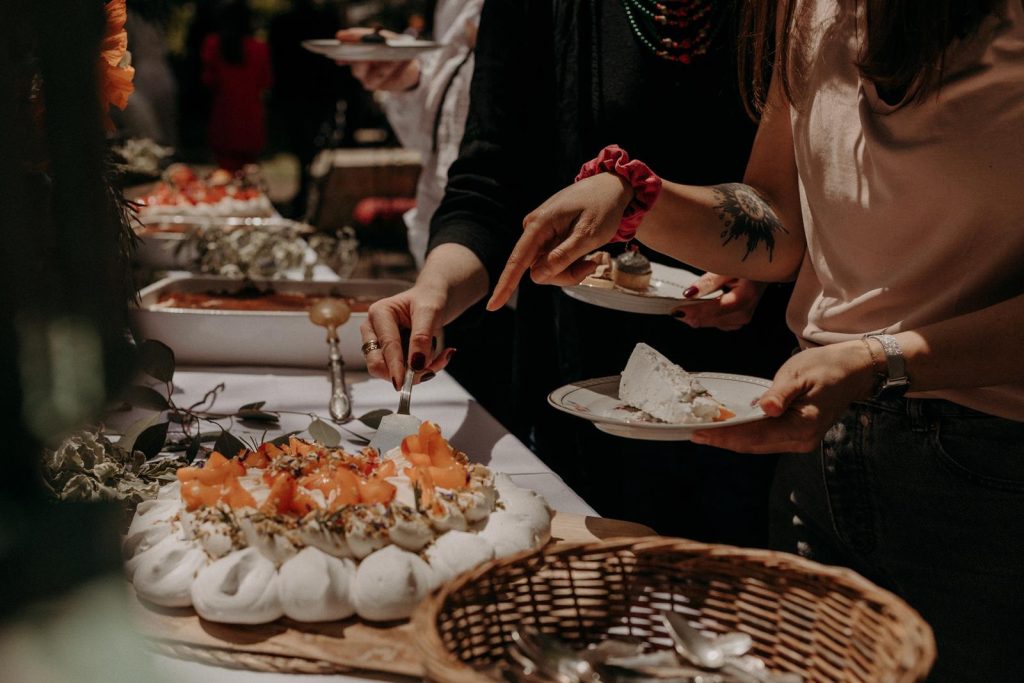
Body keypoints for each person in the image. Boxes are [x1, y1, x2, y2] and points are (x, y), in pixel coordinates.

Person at [486, 1, 1024, 680]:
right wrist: (632, 199)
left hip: (984, 474)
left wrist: (878, 359)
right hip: (818, 457)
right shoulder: (810, 11)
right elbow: (775, 223)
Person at [357, 0, 797, 545]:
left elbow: (808, 196)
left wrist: (760, 256)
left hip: (765, 381)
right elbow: (490, 182)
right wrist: (435, 291)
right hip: (586, 383)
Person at [336, 0, 483, 267]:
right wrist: (408, 81)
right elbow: (435, 137)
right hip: (444, 239)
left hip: (525, 255)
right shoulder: (452, 5)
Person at [201, 0, 272, 171]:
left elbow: (208, 80)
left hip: (224, 117)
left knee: (225, 174)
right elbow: (266, 82)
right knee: (248, 175)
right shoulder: (260, 48)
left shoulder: (212, 45)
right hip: (251, 118)